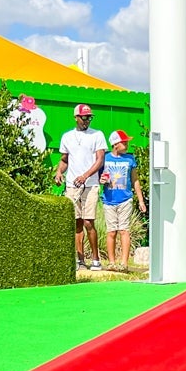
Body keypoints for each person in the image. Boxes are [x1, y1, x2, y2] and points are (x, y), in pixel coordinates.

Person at [55, 103, 107, 270]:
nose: (87, 120)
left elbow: (100, 160)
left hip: (90, 185)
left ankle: (96, 259)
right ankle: (80, 260)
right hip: (72, 185)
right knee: (76, 222)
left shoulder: (97, 135)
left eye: (89, 117)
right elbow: (64, 160)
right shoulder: (67, 137)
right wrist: (58, 173)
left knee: (88, 222)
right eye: (84, 117)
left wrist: (85, 176)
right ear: (76, 117)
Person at [100, 130, 146, 271]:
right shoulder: (104, 158)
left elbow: (135, 180)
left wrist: (141, 200)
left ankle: (124, 263)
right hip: (108, 200)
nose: (127, 144)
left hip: (125, 199)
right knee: (111, 231)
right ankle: (112, 262)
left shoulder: (130, 159)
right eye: (123, 142)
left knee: (124, 230)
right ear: (115, 144)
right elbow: (98, 176)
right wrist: (101, 180)